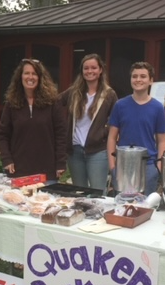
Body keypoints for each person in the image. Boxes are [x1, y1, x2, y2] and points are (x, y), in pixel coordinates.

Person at [0, 58, 67, 184]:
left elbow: (61, 134)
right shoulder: (11, 103)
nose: (30, 77)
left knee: (45, 203)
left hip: (47, 172)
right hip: (18, 171)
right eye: (27, 73)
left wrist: (60, 162)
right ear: (20, 76)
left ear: (40, 77)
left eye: (34, 73)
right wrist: (6, 159)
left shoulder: (53, 102)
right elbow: (3, 135)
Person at [107, 61, 165, 196]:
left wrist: (158, 167)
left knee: (145, 207)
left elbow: (162, 140)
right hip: (123, 166)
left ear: (151, 81)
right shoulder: (120, 105)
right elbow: (112, 137)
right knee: (122, 207)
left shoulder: (157, 108)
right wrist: (112, 166)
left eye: (143, 76)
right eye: (134, 76)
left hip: (148, 165)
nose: (138, 80)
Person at [59, 53, 117, 193]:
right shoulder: (74, 92)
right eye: (86, 68)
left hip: (97, 151)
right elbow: (54, 103)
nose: (89, 71)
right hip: (75, 151)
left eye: (93, 68)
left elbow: (116, 120)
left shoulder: (109, 94)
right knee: (79, 192)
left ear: (100, 70)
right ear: (82, 71)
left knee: (97, 192)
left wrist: (103, 133)